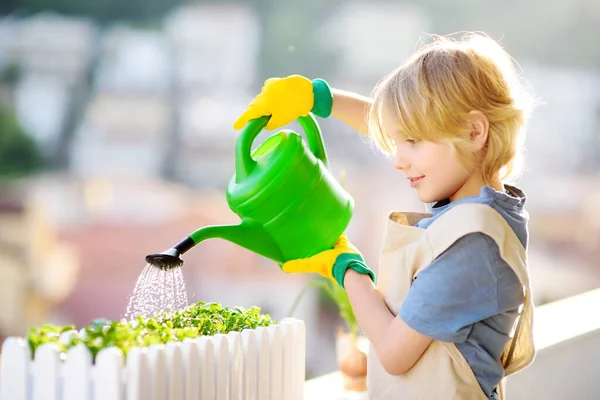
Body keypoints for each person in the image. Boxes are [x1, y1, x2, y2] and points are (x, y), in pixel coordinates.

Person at [234, 32, 537, 400]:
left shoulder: (471, 244)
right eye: (398, 142)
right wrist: (319, 99)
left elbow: (394, 353)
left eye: (412, 142)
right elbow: (400, 129)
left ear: (475, 131)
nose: (397, 159)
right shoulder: (483, 208)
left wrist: (344, 265)